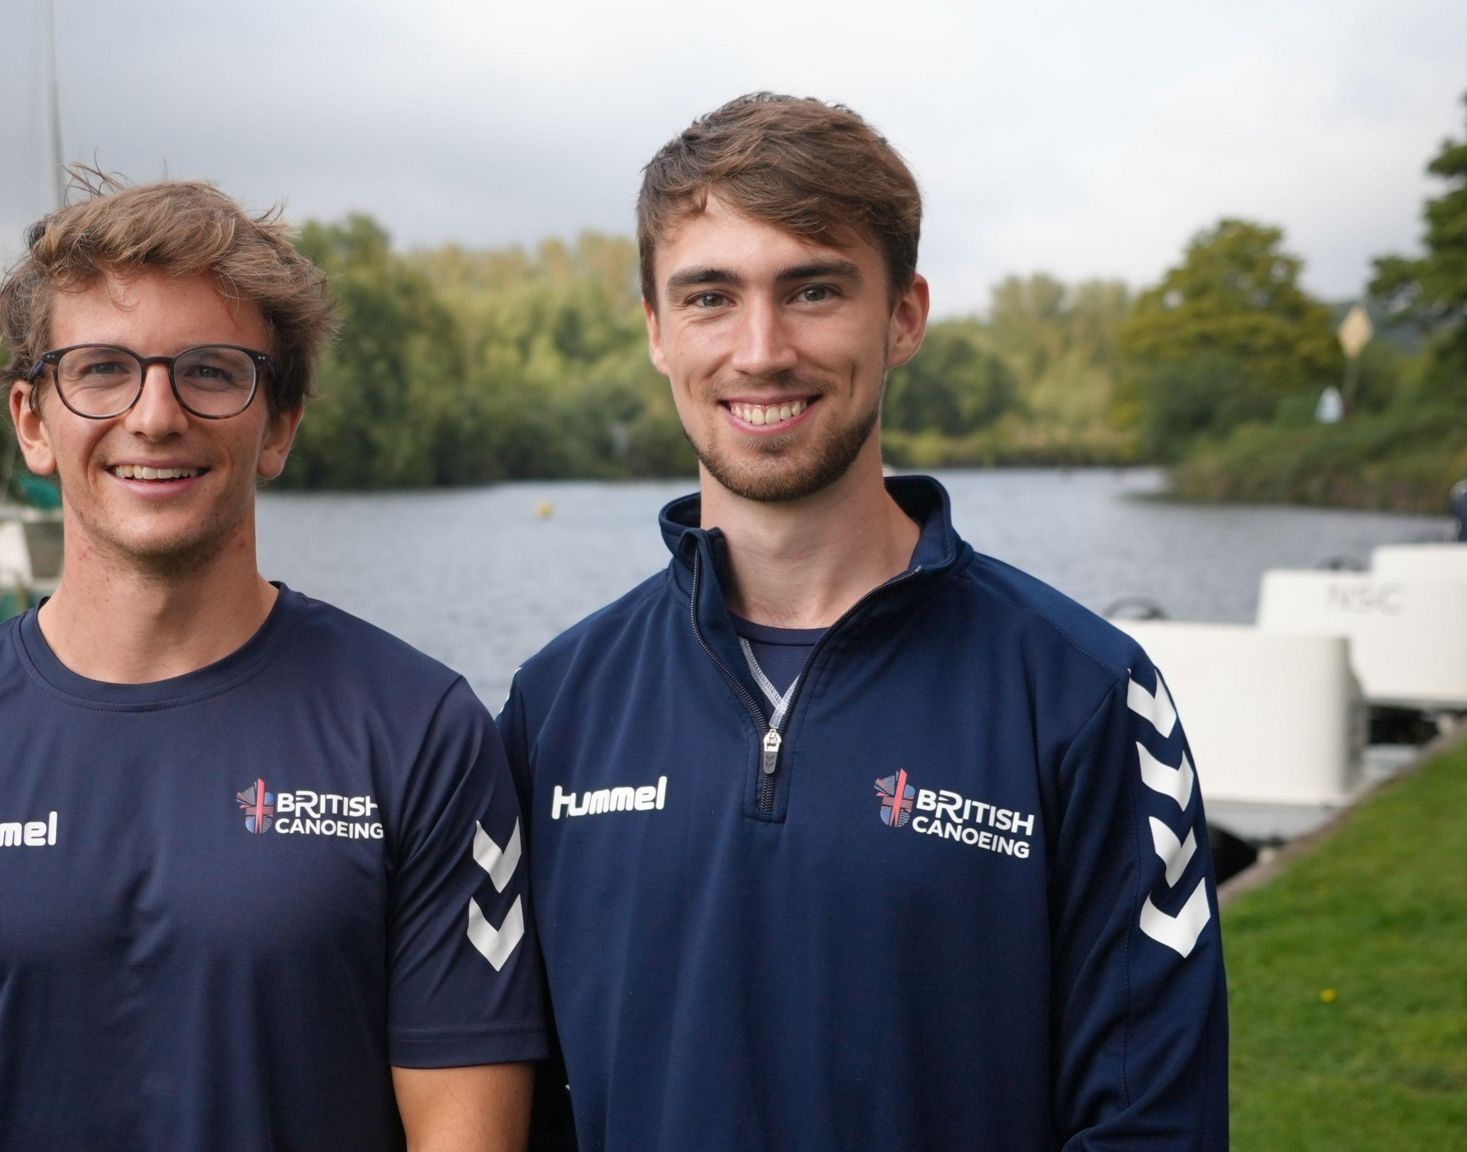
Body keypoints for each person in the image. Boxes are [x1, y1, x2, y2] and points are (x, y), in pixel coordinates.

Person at [0, 179, 545, 1151]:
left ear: (278, 423)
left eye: (209, 371)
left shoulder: (419, 736)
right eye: (102, 369)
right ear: (33, 420)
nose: (154, 416)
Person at [501, 94, 1228, 1150]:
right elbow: (508, 1101)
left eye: (812, 289)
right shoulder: (555, 705)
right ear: (657, 333)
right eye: (710, 296)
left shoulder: (1085, 695)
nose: (760, 350)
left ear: (902, 317)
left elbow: (1148, 1118)